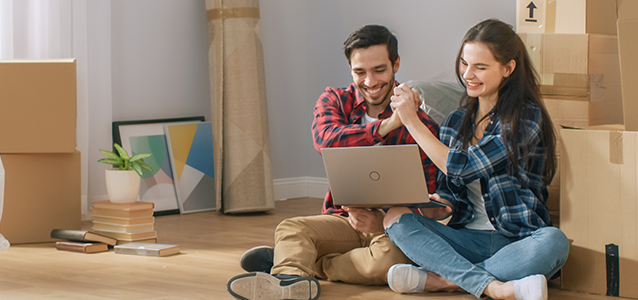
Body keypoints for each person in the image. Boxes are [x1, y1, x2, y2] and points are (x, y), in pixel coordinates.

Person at [225, 24, 441, 300]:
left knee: (387, 264)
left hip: (392, 231)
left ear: (395, 63)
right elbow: (326, 142)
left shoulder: (420, 123)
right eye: (359, 72)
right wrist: (384, 127)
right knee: (291, 228)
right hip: (344, 220)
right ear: (350, 68)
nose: (370, 81)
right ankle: (289, 282)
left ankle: (303, 264)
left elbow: (430, 194)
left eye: (379, 70)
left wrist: (382, 221)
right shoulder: (335, 100)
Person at [379, 19, 569, 300]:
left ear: (508, 69)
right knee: (396, 216)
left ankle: (445, 281)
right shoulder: (456, 121)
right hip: (467, 239)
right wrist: (439, 206)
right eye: (465, 64)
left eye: (480, 67)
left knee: (555, 242)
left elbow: (463, 166)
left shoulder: (525, 117)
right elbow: (449, 188)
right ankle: (496, 287)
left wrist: (411, 121)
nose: (468, 74)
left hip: (517, 240)